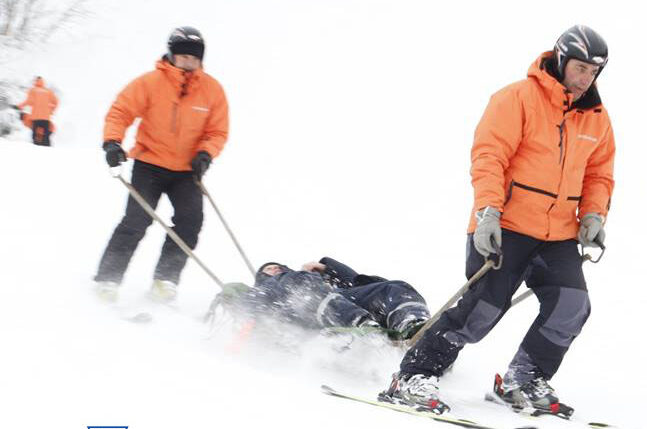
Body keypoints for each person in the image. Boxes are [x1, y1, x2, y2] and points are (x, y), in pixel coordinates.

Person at [381, 25, 616, 417]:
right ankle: (413, 376)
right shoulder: (517, 98)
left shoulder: (596, 118)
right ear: (560, 60)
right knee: (482, 311)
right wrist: (488, 210)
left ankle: (524, 379)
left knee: (572, 305)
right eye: (579, 68)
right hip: (505, 225)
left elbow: (599, 174)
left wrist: (593, 214)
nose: (584, 78)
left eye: (593, 72)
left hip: (557, 233)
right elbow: (489, 156)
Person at [93, 26, 229, 303]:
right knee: (136, 220)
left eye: (194, 58)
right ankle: (108, 278)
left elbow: (217, 131)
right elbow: (120, 111)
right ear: (171, 55)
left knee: (190, 223)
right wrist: (112, 142)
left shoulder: (213, 90)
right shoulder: (150, 83)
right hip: (149, 165)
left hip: (187, 171)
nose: (188, 63)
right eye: (183, 57)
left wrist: (206, 153)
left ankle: (165, 279)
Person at [222, 257, 431, 340]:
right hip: (299, 310)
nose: (275, 268)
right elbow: (247, 305)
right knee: (302, 286)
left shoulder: (312, 279)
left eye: (278, 266)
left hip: (335, 299)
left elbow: (358, 283)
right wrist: (232, 295)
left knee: (393, 287)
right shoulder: (266, 290)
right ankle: (360, 324)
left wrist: (327, 268)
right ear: (262, 278)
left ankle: (413, 324)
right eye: (268, 269)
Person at [17, 76, 58, 146]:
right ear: (43, 82)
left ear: (35, 82)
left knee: (35, 135)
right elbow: (56, 102)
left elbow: (28, 102)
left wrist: (19, 106)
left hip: (35, 117)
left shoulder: (33, 90)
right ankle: (47, 148)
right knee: (45, 136)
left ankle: (36, 149)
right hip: (46, 118)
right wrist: (51, 110)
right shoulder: (48, 91)